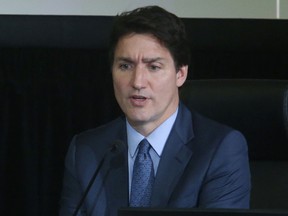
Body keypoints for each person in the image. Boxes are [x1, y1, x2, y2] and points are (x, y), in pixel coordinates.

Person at [59, 5, 251, 216]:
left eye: (154, 67)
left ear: (180, 74)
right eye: (125, 66)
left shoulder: (220, 150)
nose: (138, 82)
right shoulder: (87, 151)